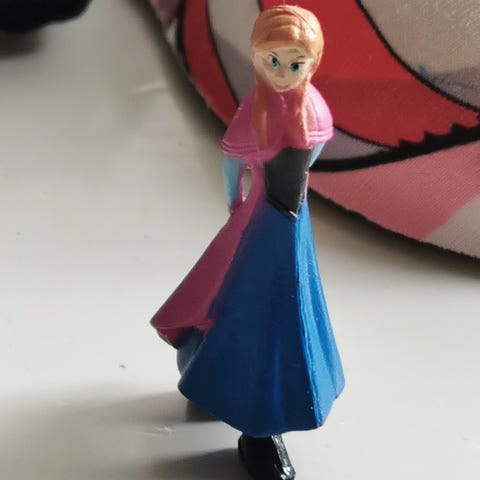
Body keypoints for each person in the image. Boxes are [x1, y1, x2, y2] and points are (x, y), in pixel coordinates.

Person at [151, 6, 344, 479]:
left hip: (291, 225)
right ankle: (243, 412)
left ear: (313, 63)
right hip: (261, 220)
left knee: (286, 312)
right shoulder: (255, 113)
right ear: (256, 57)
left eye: (295, 64)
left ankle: (248, 408)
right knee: (248, 307)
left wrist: (290, 191)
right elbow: (231, 163)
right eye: (271, 61)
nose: (282, 73)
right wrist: (235, 201)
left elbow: (314, 149)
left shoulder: (313, 108)